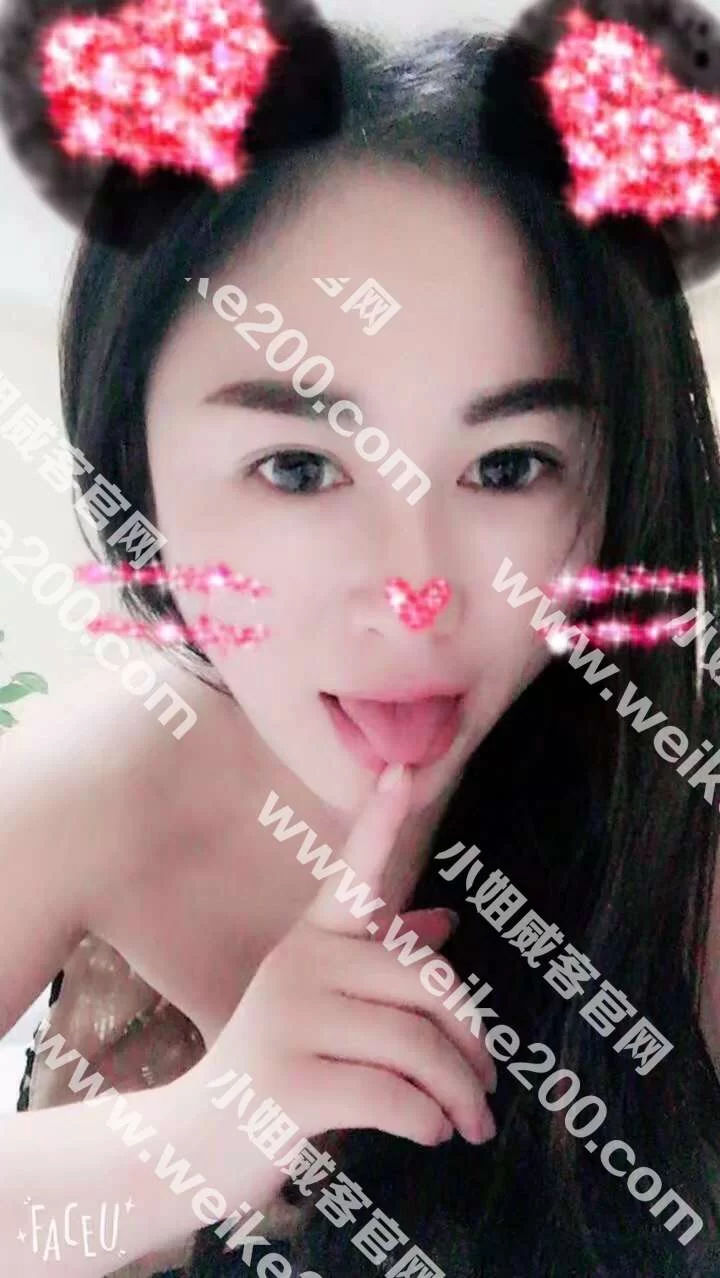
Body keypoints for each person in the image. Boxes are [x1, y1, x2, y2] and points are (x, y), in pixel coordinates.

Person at [1, 4, 719, 1276]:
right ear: (138, 460)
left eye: (510, 465)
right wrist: (215, 1126)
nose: (413, 595)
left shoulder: (675, 811)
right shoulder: (99, 780)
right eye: (296, 467)